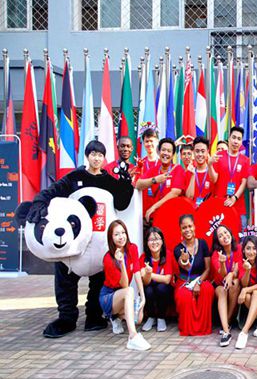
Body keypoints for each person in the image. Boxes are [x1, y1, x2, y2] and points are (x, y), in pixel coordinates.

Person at [24, 140, 134, 339]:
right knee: (65, 278)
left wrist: (127, 184)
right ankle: (66, 317)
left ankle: (93, 316)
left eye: (100, 155)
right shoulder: (74, 178)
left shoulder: (109, 180)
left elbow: (122, 203)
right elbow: (50, 192)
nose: (97, 158)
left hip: (100, 244)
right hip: (74, 243)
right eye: (93, 154)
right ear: (87, 156)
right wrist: (39, 203)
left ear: (104, 158)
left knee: (98, 281)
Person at [100, 220, 150, 351]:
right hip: (109, 297)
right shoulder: (108, 259)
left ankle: (115, 317)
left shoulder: (132, 248)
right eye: (116, 234)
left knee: (138, 319)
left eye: (123, 233)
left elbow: (137, 271)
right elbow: (125, 285)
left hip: (124, 294)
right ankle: (133, 336)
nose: (121, 237)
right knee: (129, 290)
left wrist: (143, 297)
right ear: (111, 238)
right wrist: (121, 263)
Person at [173, 214, 214, 336]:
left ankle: (204, 327)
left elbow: (207, 269)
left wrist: (199, 283)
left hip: (201, 278)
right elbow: (185, 266)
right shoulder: (178, 249)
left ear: (194, 226)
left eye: (190, 226)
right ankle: (188, 328)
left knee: (207, 289)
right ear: (180, 230)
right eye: (184, 227)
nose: (187, 230)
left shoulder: (203, 244)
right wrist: (185, 260)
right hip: (185, 281)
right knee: (184, 295)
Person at [135, 138, 186, 222]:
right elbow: (138, 184)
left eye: (169, 151)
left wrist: (154, 207)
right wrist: (155, 180)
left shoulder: (178, 169)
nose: (165, 153)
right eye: (163, 150)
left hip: (171, 217)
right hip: (153, 218)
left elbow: (175, 193)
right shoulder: (153, 169)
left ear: (173, 155)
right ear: (158, 152)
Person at [236, 235, 257, 349]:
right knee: (247, 296)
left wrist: (245, 290)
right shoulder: (242, 262)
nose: (251, 252)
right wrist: (247, 270)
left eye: (254, 248)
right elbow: (244, 284)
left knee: (254, 293)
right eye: (248, 248)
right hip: (250, 295)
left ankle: (244, 332)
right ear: (243, 250)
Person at [210, 126, 250, 226]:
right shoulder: (219, 156)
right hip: (221, 204)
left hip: (238, 206)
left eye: (239, 139)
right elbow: (214, 179)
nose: (236, 141)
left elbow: (244, 182)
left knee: (240, 234)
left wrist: (234, 197)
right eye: (234, 137)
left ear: (241, 142)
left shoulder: (245, 160)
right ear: (229, 138)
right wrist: (210, 164)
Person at [210, 224, 242, 347]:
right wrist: (222, 263)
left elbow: (237, 271)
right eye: (220, 235)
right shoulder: (215, 254)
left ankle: (227, 321)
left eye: (225, 232)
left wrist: (231, 274)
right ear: (217, 241)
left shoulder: (238, 249)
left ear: (230, 233)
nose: (224, 236)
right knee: (222, 290)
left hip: (233, 286)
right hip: (220, 285)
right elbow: (222, 274)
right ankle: (226, 332)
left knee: (235, 283)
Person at [140, 227, 174, 332]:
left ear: (162, 241)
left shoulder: (168, 255)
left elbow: (167, 279)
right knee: (148, 290)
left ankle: (161, 318)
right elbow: (145, 282)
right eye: (151, 240)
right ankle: (151, 317)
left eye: (157, 239)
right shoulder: (143, 258)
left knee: (161, 288)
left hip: (165, 290)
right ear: (147, 243)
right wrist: (152, 276)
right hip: (150, 288)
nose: (154, 242)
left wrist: (149, 273)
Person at [186, 137, 215, 207]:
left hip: (209, 211)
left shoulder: (212, 172)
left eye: (203, 151)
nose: (200, 154)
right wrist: (193, 175)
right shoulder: (188, 172)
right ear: (193, 152)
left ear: (207, 152)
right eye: (197, 151)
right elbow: (189, 197)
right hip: (192, 211)